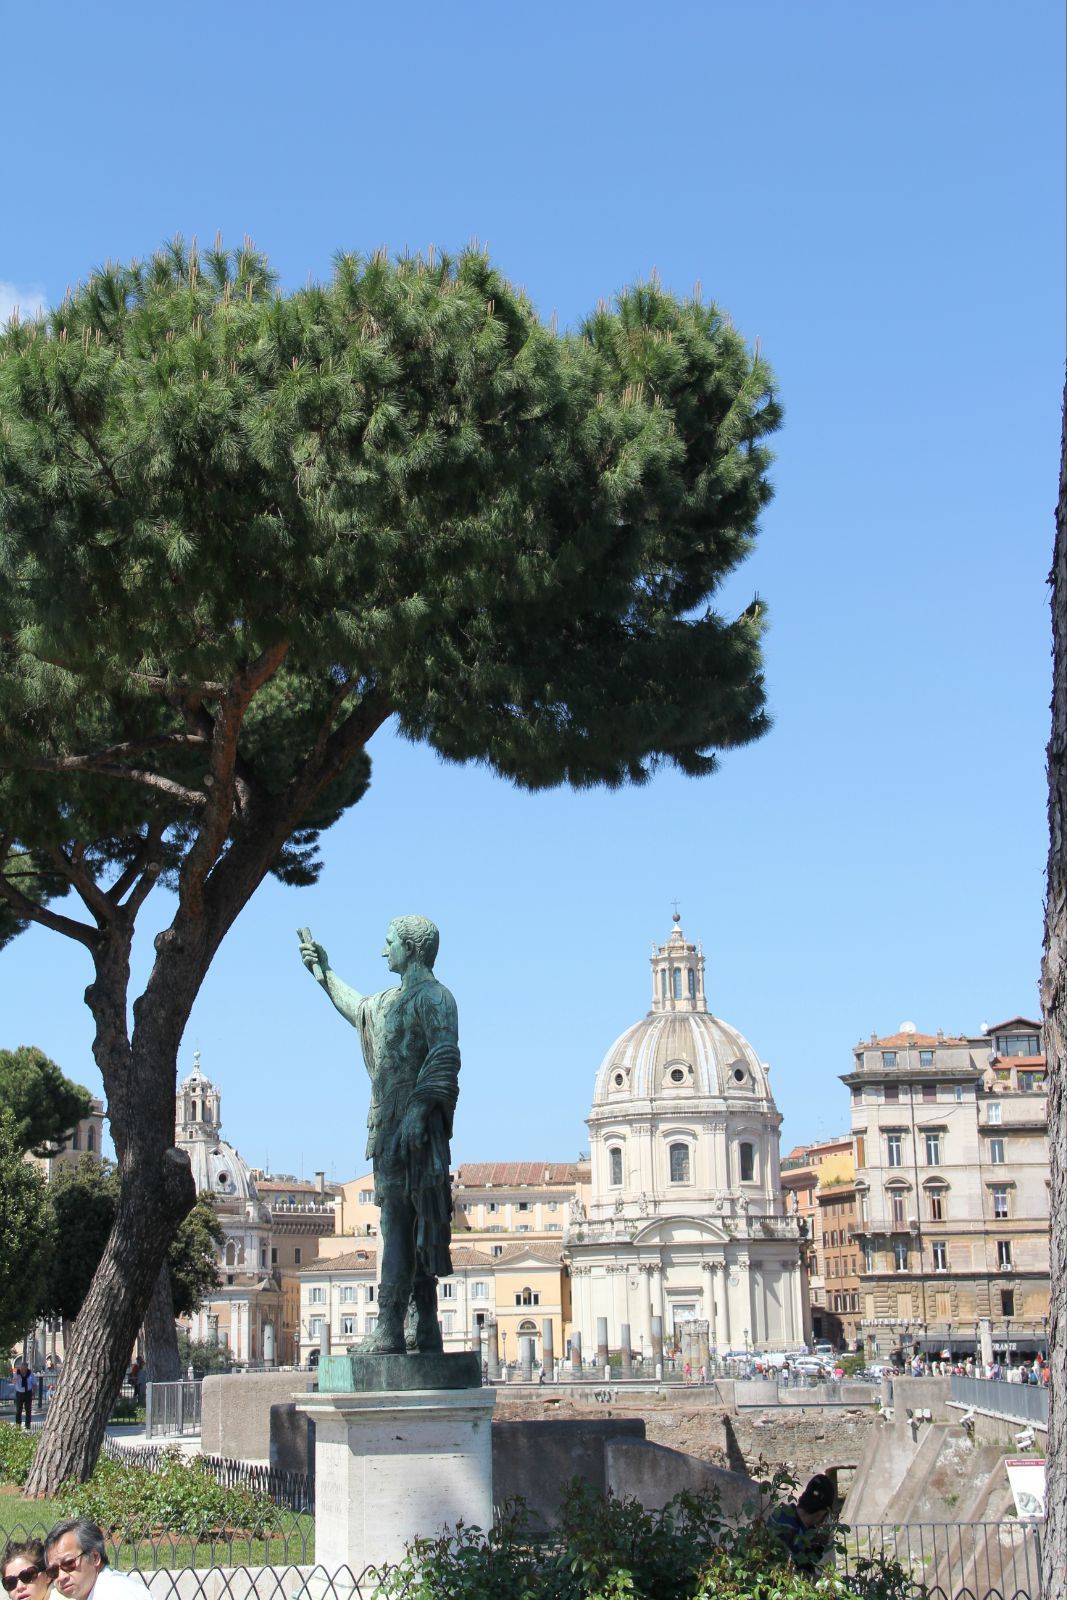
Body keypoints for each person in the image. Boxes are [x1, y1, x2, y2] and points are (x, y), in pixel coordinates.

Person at [299, 916, 460, 1355]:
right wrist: (324, 974)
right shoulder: (388, 1001)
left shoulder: (436, 999)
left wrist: (420, 1111)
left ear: (411, 947)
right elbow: (357, 1007)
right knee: (409, 1222)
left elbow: (446, 1053)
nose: (383, 950)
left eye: (389, 942)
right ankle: (424, 1326)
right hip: (388, 1124)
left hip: (416, 1129)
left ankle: (391, 1327)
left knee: (402, 1223)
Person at [43, 1521, 145, 1600]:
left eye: (69, 1563)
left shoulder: (116, 1593)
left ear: (95, 1557)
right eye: (53, 1571)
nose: (61, 1577)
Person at [767, 1473, 836, 1571]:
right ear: (822, 1513)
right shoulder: (795, 1534)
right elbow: (801, 1576)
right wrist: (818, 1548)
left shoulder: (781, 1514)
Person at [12, 1363, 34, 1431]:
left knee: (28, 1410)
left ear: (27, 1368)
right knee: (18, 1410)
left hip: (28, 1393)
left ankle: (27, 1425)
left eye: (24, 1369)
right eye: (22, 1368)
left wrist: (34, 1392)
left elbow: (34, 1383)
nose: (23, 1370)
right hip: (19, 1393)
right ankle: (18, 1425)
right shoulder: (16, 1373)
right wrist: (16, 1378)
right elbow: (13, 1382)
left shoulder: (30, 1373)